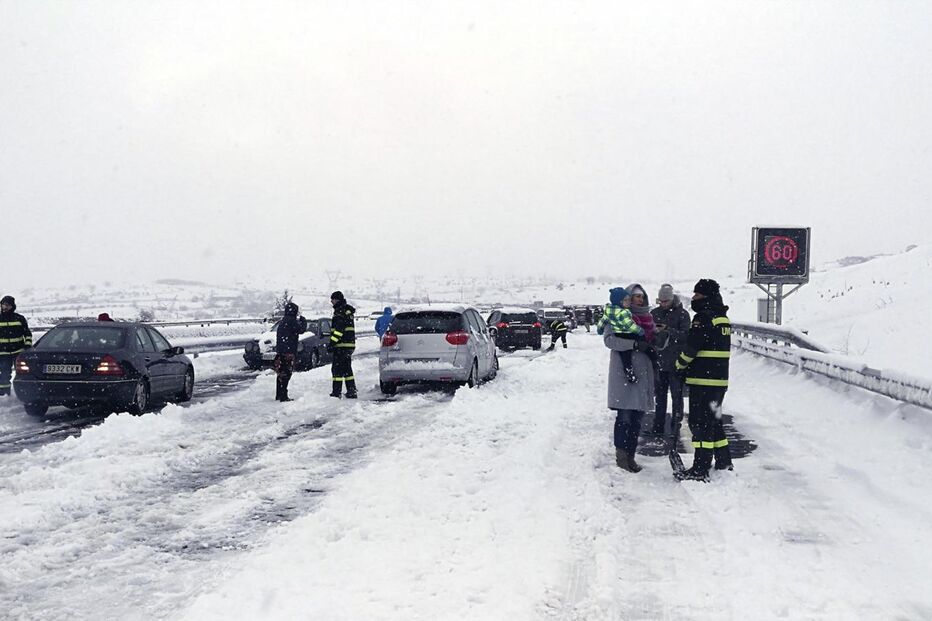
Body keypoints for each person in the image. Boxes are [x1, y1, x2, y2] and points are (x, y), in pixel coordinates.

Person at [674, 278, 733, 481]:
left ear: (705, 297)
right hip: (719, 381)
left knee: (700, 425)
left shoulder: (702, 318)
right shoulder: (722, 318)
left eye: (697, 295)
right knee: (714, 421)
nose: (694, 298)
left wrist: (679, 365)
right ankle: (724, 460)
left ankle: (701, 467)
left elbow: (692, 348)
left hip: (703, 380)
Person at [602, 283, 656, 473]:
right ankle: (622, 457)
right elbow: (609, 340)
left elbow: (652, 341)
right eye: (636, 296)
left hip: (643, 374)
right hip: (624, 374)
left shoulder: (648, 318)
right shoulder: (616, 315)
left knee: (637, 419)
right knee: (625, 417)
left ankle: (631, 455)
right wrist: (634, 344)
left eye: (642, 296)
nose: (640, 299)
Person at [649, 284, 691, 437]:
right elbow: (648, 336)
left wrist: (668, 330)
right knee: (660, 398)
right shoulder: (653, 314)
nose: (663, 304)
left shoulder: (683, 315)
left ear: (672, 299)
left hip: (676, 363)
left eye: (666, 301)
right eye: (660, 301)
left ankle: (676, 427)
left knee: (677, 397)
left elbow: (686, 336)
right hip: (659, 362)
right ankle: (658, 427)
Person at [596, 287, 644, 383]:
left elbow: (602, 321)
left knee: (625, 357)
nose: (629, 302)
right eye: (627, 300)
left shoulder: (609, 311)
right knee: (626, 356)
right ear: (620, 302)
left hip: (620, 335)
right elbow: (629, 326)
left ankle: (629, 372)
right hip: (627, 335)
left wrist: (599, 329)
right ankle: (629, 373)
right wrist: (639, 331)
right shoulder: (623, 312)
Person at [274, 301, 307, 402]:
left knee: (280, 373)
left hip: (281, 350)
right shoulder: (292, 321)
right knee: (286, 373)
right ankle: (284, 396)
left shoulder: (283, 321)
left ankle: (279, 394)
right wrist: (303, 321)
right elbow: (301, 330)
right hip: (288, 351)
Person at [0, 296, 32, 397]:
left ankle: (25, 394)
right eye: (3, 304)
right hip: (3, 353)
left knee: (23, 374)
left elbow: (27, 334)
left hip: (19, 352)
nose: (5, 307)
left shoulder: (19, 318)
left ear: (12, 306)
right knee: (4, 375)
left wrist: (27, 346)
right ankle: (4, 395)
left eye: (7, 305)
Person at [328, 291, 357, 398]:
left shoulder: (339, 312)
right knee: (347, 369)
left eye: (333, 299)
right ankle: (351, 390)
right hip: (348, 345)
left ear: (337, 300)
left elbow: (339, 330)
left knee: (337, 369)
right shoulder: (347, 311)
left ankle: (336, 392)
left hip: (341, 346)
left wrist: (332, 343)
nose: (331, 301)